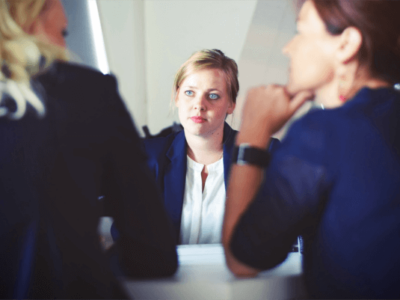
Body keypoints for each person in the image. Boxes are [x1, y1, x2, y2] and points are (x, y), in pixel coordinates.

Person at [223, 0, 400, 299]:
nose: (288, 48)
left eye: (300, 32)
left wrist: (253, 131)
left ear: (346, 44)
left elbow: (243, 259)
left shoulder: (322, 133)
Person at [0, 0, 177, 299]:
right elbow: (153, 252)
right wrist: (87, 249)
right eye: (64, 33)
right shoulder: (87, 94)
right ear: (30, 20)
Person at [142, 49, 279, 244]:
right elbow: (127, 239)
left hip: (239, 274)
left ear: (231, 104)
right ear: (177, 97)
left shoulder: (265, 154)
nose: (199, 104)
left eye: (213, 96)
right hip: (165, 274)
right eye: (190, 93)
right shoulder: (148, 157)